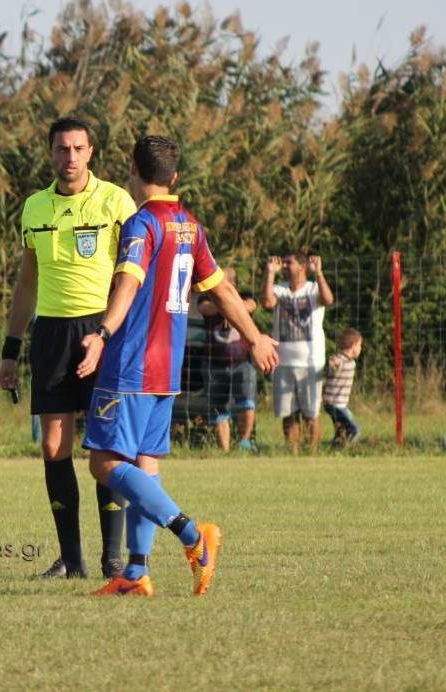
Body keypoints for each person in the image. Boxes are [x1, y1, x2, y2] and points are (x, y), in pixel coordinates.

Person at [76, 135, 278, 597]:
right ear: (175, 177)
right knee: (145, 465)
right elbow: (222, 290)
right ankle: (135, 573)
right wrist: (255, 337)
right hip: (168, 366)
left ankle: (192, 536)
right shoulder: (190, 226)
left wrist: (102, 334)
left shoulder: (142, 223)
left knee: (103, 463)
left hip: (131, 364)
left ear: (133, 170)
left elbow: (127, 284)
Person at [0, 116, 137, 580]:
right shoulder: (35, 208)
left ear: (91, 152)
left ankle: (112, 558)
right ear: (50, 152)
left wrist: (113, 332)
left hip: (104, 331)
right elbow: (27, 282)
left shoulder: (116, 201)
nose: (70, 157)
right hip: (52, 334)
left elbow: (131, 275)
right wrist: (11, 350)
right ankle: (72, 560)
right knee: (54, 446)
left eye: (78, 148)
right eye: (62, 148)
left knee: (107, 446)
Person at [262, 252, 334, 453]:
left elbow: (328, 300)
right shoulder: (280, 289)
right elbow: (267, 302)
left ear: (302, 267)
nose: (284, 266)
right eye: (284, 263)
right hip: (283, 362)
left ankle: (313, 450)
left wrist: (319, 273)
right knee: (288, 413)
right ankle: (292, 451)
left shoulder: (313, 288)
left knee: (311, 412)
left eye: (289, 263)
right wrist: (270, 273)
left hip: (311, 362)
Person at [197, 267, 259, 452]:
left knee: (247, 403)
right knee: (218, 409)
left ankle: (244, 443)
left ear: (233, 284)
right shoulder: (206, 297)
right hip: (213, 363)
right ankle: (225, 450)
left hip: (243, 362)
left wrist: (228, 299)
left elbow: (251, 306)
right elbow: (205, 309)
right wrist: (224, 301)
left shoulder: (246, 296)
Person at [323, 328, 362, 446]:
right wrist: (333, 364)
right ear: (353, 346)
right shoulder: (340, 359)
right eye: (359, 345)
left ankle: (335, 446)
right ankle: (346, 448)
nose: (360, 348)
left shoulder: (351, 362)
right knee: (354, 429)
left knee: (341, 430)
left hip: (338, 403)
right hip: (335, 403)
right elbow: (334, 364)